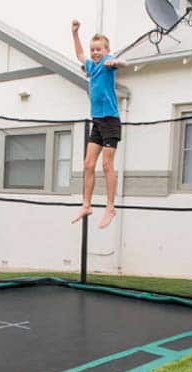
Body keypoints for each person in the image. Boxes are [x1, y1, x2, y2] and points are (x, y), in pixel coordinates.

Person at [71, 20, 127, 229]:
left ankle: (110, 207)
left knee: (106, 165)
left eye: (99, 50)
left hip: (111, 121)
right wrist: (75, 33)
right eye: (93, 49)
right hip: (97, 121)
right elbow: (79, 54)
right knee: (88, 164)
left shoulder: (107, 63)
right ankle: (87, 204)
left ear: (106, 50)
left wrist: (115, 63)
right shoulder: (91, 66)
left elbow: (124, 63)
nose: (95, 53)